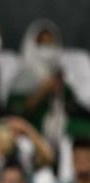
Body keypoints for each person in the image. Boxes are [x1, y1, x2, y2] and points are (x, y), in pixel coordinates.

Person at [7, 19, 88, 148]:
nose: (46, 48)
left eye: (50, 43)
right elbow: (17, 111)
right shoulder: (25, 74)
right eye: (42, 43)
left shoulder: (58, 71)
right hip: (32, 128)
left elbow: (70, 102)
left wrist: (60, 88)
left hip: (59, 125)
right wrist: (43, 90)